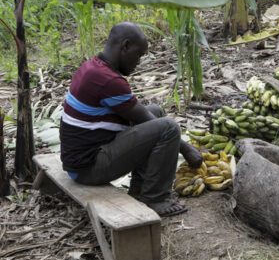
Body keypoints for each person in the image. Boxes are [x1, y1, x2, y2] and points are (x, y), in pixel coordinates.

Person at [59, 23, 202, 217]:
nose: (138, 62)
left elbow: (144, 116)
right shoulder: (107, 80)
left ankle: (139, 189)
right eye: (139, 54)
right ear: (125, 46)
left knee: (156, 113)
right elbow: (143, 118)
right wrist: (187, 150)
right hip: (87, 168)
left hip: (83, 159)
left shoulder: (93, 67)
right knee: (168, 128)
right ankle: (155, 198)